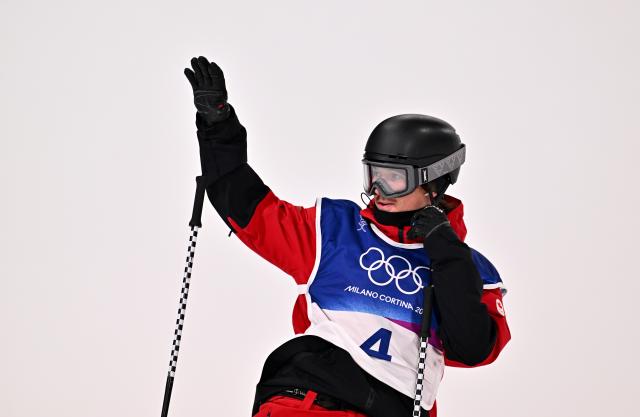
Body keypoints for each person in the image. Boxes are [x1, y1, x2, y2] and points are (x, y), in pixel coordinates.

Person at [184, 56, 511, 417]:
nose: (378, 190)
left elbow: (472, 346)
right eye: (373, 174)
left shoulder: (471, 270)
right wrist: (218, 128)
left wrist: (447, 253)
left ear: (432, 183)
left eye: (394, 178)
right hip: (304, 399)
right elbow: (250, 210)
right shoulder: (334, 230)